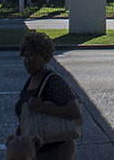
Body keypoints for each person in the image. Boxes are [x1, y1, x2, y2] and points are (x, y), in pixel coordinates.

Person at [15, 32, 82, 160]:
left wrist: (42, 107)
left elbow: (75, 111)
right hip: (38, 148)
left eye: (33, 57)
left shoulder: (52, 80)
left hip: (55, 149)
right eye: (25, 57)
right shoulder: (32, 79)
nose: (28, 61)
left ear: (45, 57)